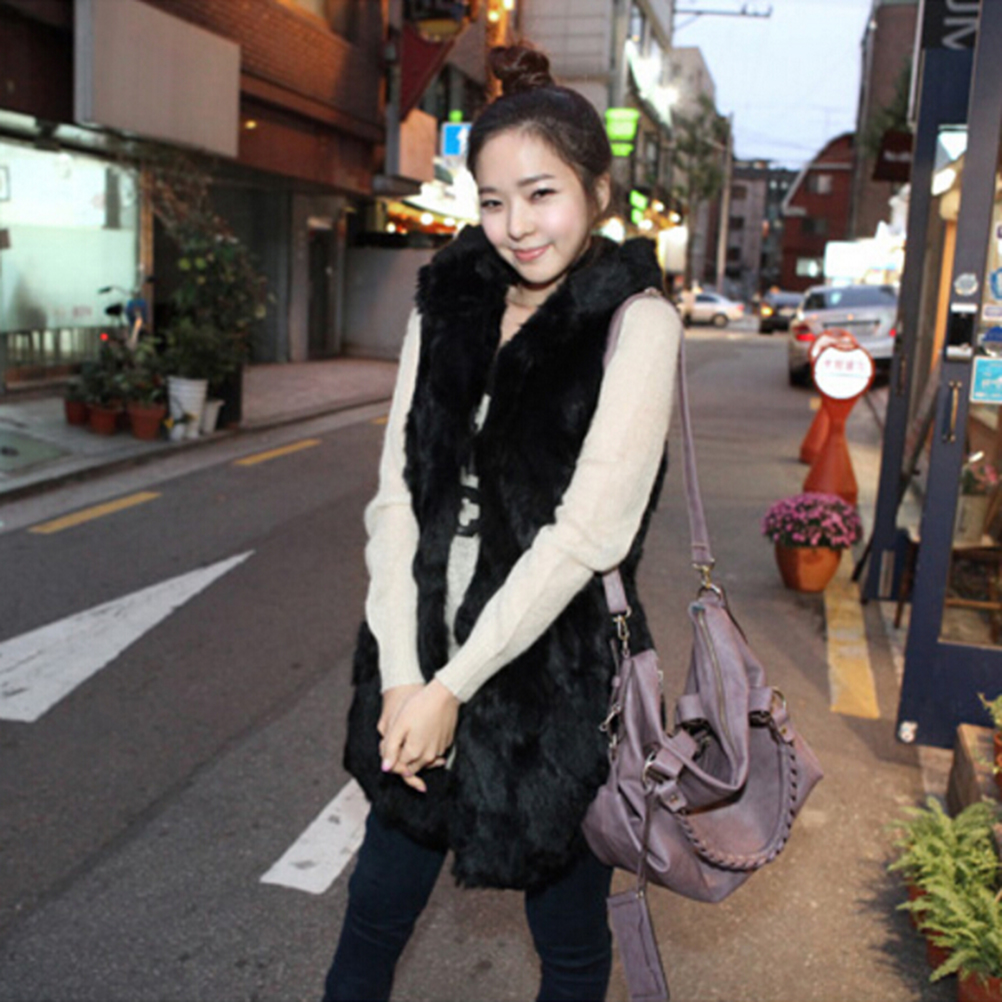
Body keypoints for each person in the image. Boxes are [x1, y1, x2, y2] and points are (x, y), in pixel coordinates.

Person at [324, 43, 681, 1002]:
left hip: (549, 682)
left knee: (569, 945)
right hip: (418, 657)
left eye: (541, 194)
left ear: (596, 191)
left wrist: (454, 686)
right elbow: (399, 495)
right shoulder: (450, 298)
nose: (516, 226)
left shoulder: (635, 322)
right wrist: (404, 677)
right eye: (492, 200)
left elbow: (589, 535)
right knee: (371, 919)